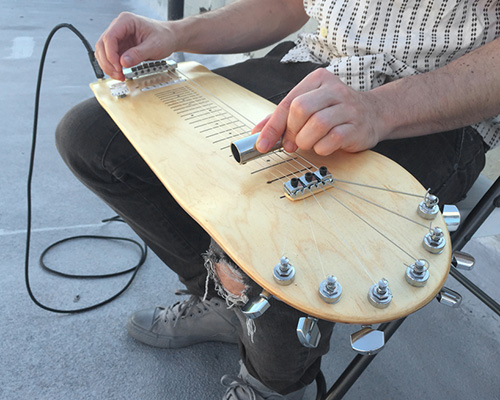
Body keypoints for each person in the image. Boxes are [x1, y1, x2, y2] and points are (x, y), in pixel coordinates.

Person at [56, 1, 500, 399]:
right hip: (312, 67)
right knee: (90, 139)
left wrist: (380, 110)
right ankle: (226, 301)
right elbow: (290, 4)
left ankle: (274, 384)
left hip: (432, 109)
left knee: (290, 230)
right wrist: (177, 33)